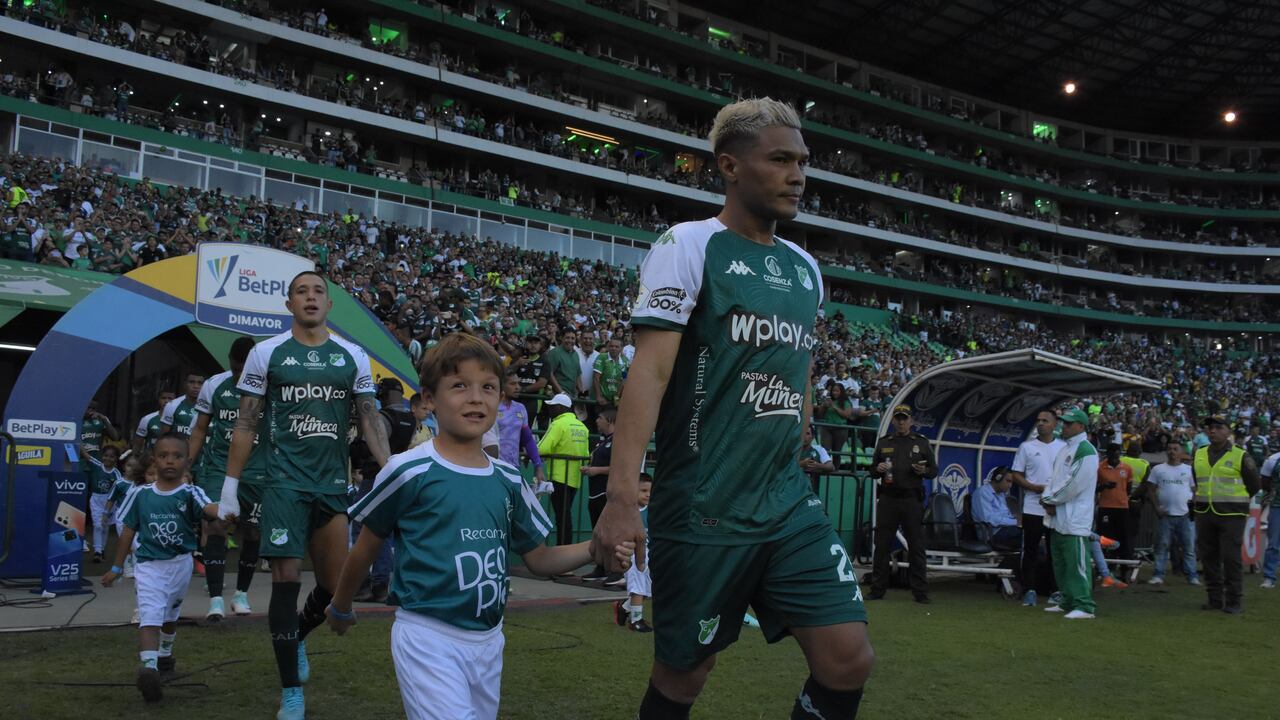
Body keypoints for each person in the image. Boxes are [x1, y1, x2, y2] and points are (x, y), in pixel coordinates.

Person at [593, 98, 873, 720]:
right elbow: (652, 371)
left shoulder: (805, 269)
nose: (797, 173)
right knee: (683, 675)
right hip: (703, 508)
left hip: (785, 502)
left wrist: (798, 416)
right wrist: (619, 496)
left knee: (848, 656)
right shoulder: (688, 245)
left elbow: (798, 362)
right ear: (729, 165)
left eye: (802, 161)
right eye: (779, 160)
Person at [323, 332, 634, 720]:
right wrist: (341, 604)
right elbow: (366, 547)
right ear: (430, 400)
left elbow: (537, 558)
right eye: (459, 386)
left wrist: (594, 548)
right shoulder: (408, 471)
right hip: (427, 635)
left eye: (488, 387)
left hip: (489, 640)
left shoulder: (507, 479)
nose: (476, 397)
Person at [218, 270, 391, 720]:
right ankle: (291, 690)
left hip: (332, 486)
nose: (311, 298)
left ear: (329, 305)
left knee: (335, 588)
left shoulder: (353, 355)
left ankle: (295, 635)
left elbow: (370, 419)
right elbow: (246, 423)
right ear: (288, 303)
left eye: (319, 292)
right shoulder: (266, 353)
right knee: (285, 578)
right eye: (301, 292)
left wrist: (391, 471)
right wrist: (230, 488)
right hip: (282, 485)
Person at [101, 434, 222, 703]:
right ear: (154, 460)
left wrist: (226, 511)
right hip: (148, 566)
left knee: (170, 615)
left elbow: (209, 509)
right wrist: (117, 567)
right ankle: (149, 669)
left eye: (177, 456)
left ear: (187, 462)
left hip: (180, 564)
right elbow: (128, 530)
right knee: (150, 614)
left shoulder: (191, 492)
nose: (170, 461)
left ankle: (165, 656)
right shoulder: (141, 495)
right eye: (164, 455)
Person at [187, 337, 269, 620]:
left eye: (243, 371)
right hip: (218, 469)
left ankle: (241, 594)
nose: (238, 377)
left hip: (257, 472)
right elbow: (199, 430)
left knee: (253, 532)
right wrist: (188, 465)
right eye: (234, 370)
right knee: (218, 526)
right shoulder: (214, 385)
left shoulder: (270, 386)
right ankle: (215, 599)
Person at [350, 377, 419, 603]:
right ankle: (381, 585)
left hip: (374, 477)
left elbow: (369, 448)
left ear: (384, 394)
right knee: (386, 533)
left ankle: (361, 585)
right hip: (395, 478)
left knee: (361, 528)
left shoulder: (383, 417)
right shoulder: (411, 417)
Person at [1192, 414, 1264, 614]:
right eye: (1209, 428)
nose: (1212, 431)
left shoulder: (1241, 455)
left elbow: (1254, 485)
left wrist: (1236, 501)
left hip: (1232, 514)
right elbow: (1198, 480)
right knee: (1208, 557)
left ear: (1228, 431)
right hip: (1205, 512)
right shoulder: (1199, 453)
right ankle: (1214, 599)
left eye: (1217, 427)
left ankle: (1234, 601)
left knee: (1231, 558)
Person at [869, 403, 938, 603]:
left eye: (904, 418)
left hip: (911, 499)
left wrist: (921, 471)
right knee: (881, 545)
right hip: (888, 498)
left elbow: (933, 471)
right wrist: (878, 468)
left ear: (911, 421)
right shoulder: (884, 442)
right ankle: (877, 589)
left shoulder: (921, 443)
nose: (901, 421)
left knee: (916, 546)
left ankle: (920, 592)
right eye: (898, 418)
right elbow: (872, 470)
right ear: (893, 420)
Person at [1040, 407, 1100, 620]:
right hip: (1057, 517)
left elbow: (1074, 485)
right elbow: (1052, 479)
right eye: (1063, 423)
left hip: (1074, 517)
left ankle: (1084, 606)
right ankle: (1066, 600)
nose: (1063, 426)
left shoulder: (1086, 450)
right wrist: (1047, 498)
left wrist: (1050, 500)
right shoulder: (1065, 449)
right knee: (1061, 562)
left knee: (1076, 563)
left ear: (1081, 426)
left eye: (1068, 423)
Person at [1010, 409, 1065, 606]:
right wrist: (1034, 487)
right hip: (1033, 507)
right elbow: (1016, 474)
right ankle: (1029, 589)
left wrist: (1055, 494)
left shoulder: (1063, 447)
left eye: (1045, 420)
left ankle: (1055, 589)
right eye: (1038, 420)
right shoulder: (1026, 447)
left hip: (1055, 508)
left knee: (1054, 550)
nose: (1041, 423)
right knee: (1031, 550)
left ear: (1054, 424)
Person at [537, 393, 589, 548]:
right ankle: (565, 550)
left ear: (560, 408)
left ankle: (563, 552)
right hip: (575, 478)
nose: (550, 409)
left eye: (552, 406)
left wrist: (533, 455)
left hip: (559, 477)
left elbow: (542, 448)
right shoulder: (582, 426)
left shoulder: (558, 424)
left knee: (562, 517)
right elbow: (586, 455)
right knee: (566, 516)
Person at [1145, 443, 1200, 585]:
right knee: (1162, 546)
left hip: (1185, 515)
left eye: (1175, 449)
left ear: (1181, 452)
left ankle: (1192, 575)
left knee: (1189, 548)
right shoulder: (1158, 469)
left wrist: (1192, 508)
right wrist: (1157, 507)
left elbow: (1195, 490)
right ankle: (1158, 574)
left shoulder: (1188, 470)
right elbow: (1150, 489)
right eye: (1169, 449)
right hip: (1165, 515)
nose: (1172, 452)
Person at [582, 407, 621, 583]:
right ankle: (601, 567)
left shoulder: (617, 441)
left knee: (610, 533)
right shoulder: (601, 442)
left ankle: (616, 570)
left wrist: (596, 470)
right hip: (594, 493)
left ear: (609, 420)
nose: (596, 421)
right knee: (597, 533)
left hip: (607, 492)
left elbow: (619, 467)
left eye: (600, 418)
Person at [614, 473, 654, 632]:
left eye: (650, 491)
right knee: (638, 585)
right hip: (631, 555)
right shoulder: (626, 512)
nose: (648, 494)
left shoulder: (651, 511)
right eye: (643, 490)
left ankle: (624, 608)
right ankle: (636, 620)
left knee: (647, 588)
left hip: (648, 554)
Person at [496, 372, 545, 488]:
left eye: (518, 383)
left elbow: (527, 439)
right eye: (513, 384)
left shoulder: (520, 408)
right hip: (494, 467)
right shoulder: (491, 406)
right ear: (501, 386)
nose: (517, 387)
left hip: (514, 467)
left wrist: (538, 466)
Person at [1095, 443, 1135, 560]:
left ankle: (1124, 561)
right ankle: (1106, 559)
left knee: (1123, 534)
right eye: (1112, 456)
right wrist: (1104, 486)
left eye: (1117, 456)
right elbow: (1094, 488)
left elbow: (1128, 488)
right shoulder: (1100, 468)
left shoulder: (1127, 468)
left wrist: (1122, 496)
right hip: (1105, 506)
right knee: (1105, 535)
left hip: (1122, 506)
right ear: (1107, 454)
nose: (1115, 459)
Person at [85, 445, 124, 563]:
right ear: (102, 456)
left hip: (110, 502)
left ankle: (102, 550)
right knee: (97, 525)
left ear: (116, 458)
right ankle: (97, 551)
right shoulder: (97, 465)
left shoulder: (117, 474)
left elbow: (120, 491)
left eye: (111, 456)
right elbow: (86, 456)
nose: (108, 458)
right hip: (96, 500)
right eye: (106, 455)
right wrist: (78, 442)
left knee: (105, 526)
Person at [971, 467, 1020, 550]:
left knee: (1032, 535)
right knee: (1029, 539)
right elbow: (988, 519)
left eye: (1011, 482)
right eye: (1008, 481)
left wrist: (1015, 518)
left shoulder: (1001, 494)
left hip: (1005, 530)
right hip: (992, 534)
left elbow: (1004, 514)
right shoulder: (982, 492)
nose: (1010, 485)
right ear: (998, 478)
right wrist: (1015, 522)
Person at [133, 390, 175, 457]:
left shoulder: (180, 420)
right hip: (151, 459)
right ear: (159, 400)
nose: (166, 401)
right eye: (163, 398)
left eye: (170, 398)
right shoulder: (147, 419)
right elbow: (138, 444)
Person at [1260, 449, 1280, 589]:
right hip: (1277, 505)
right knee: (1273, 543)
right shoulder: (1273, 460)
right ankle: (1269, 577)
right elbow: (1265, 482)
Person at [799, 423, 835, 494]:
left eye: (807, 434)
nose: (804, 436)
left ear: (812, 437)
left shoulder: (819, 449)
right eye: (802, 433)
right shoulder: (792, 449)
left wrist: (818, 465)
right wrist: (802, 464)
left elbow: (831, 467)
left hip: (811, 491)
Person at [593, 337, 628, 408]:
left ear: (621, 348)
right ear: (608, 347)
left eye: (616, 347)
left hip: (615, 400)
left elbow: (624, 381)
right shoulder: (602, 357)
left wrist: (618, 397)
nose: (613, 348)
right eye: (611, 346)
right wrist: (599, 396)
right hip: (602, 399)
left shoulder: (625, 361)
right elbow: (596, 378)